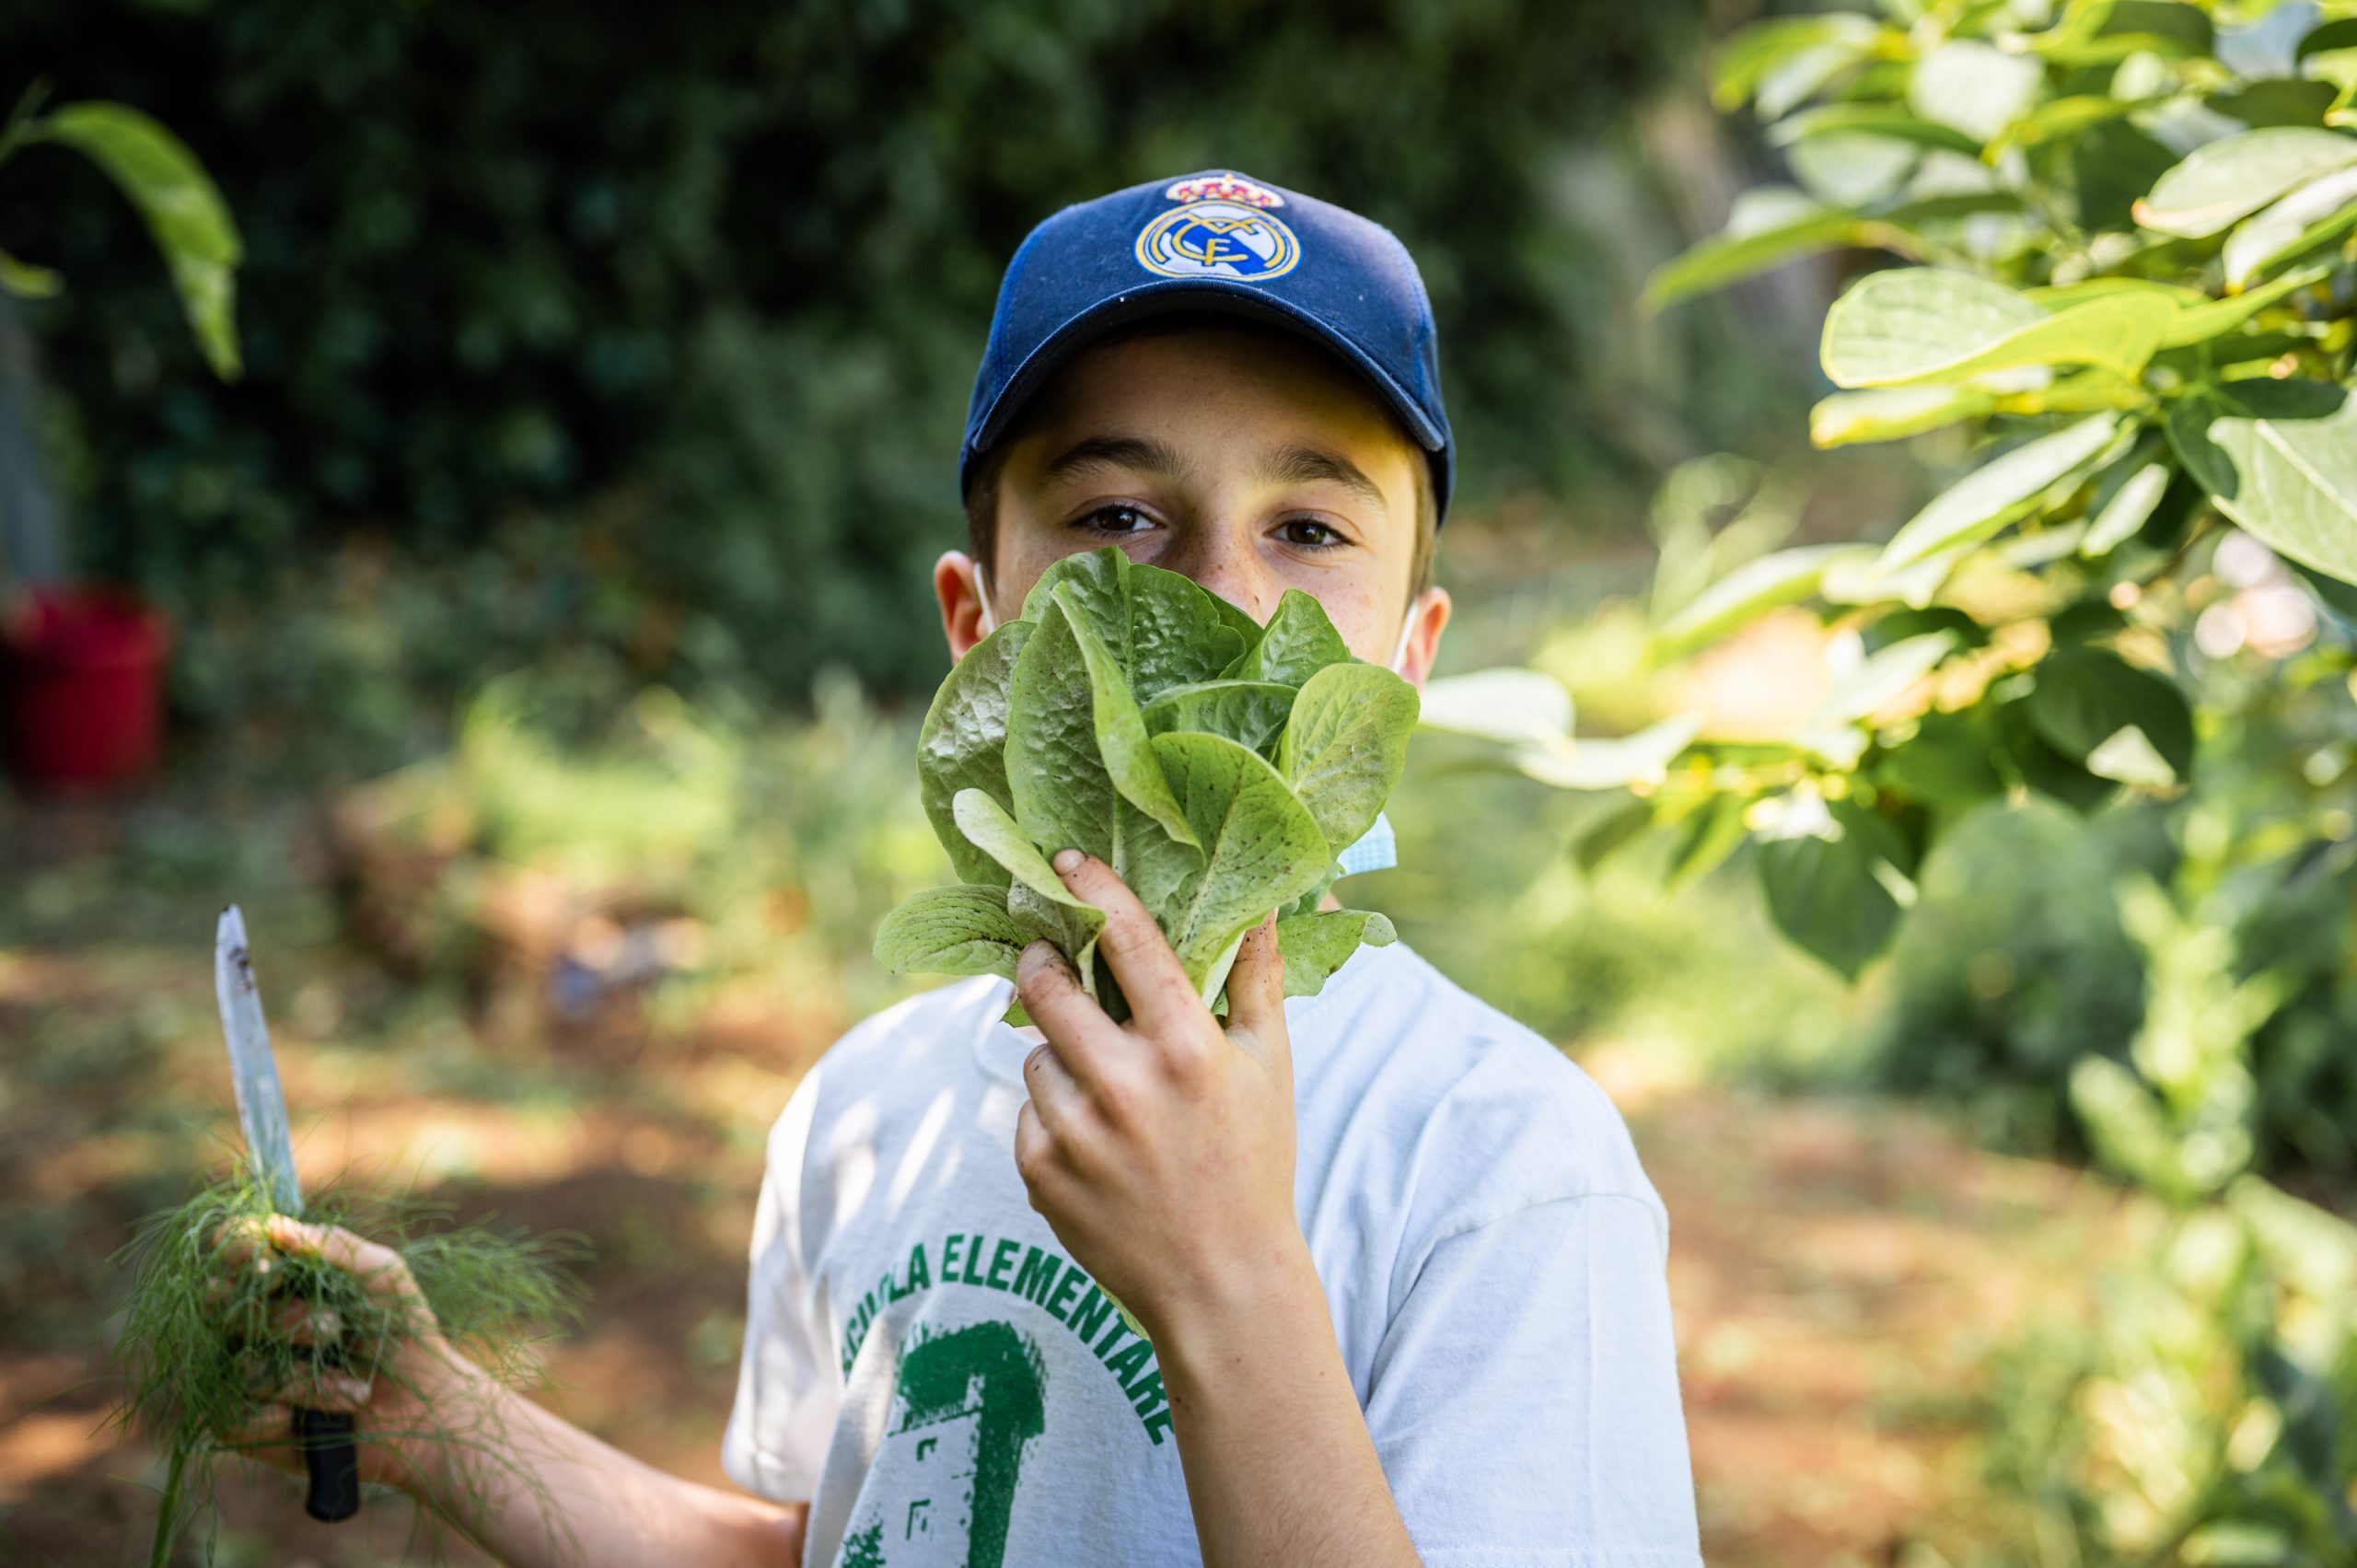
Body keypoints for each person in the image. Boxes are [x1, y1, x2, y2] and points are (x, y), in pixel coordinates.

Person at [233, 169, 1704, 1568]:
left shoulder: (1503, 1167)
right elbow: (846, 1538)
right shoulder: (866, 1114)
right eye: (1118, 514)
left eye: (1308, 528)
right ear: (978, 624)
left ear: (1409, 658)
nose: (1219, 587)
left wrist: (1226, 1279)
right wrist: (431, 1414)